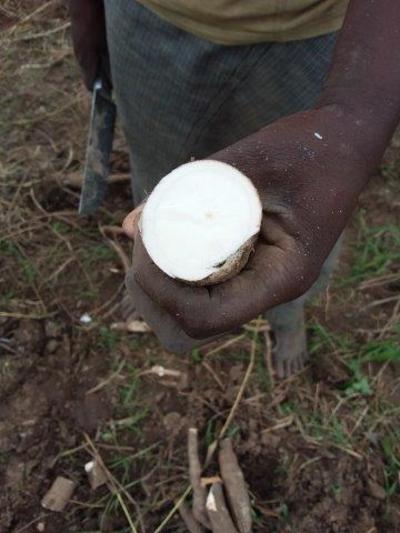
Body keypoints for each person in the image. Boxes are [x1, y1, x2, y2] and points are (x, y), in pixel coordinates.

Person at [69, 0, 400, 377]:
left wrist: (351, 116)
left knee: (301, 220)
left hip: (318, 30)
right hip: (149, 17)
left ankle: (288, 313)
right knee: (155, 178)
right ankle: (155, 277)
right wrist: (85, 10)